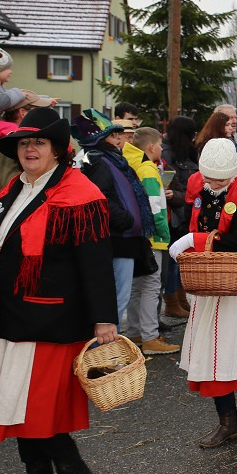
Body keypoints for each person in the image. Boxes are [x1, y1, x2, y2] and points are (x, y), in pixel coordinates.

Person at [0, 108, 118, 474]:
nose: (30, 149)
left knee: (37, 405)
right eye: (24, 143)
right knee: (11, 400)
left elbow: (95, 264)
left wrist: (104, 318)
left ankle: (72, 471)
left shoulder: (79, 194)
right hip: (5, 315)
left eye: (39, 143)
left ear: (58, 151)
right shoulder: (12, 190)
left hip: (51, 319)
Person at [168, 138, 237, 447]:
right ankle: (227, 421)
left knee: (232, 350)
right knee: (208, 351)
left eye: (218, 179)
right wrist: (193, 239)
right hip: (207, 276)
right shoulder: (201, 185)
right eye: (208, 178)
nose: (210, 184)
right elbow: (197, 219)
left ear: (232, 173)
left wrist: (193, 241)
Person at [73, 109, 155, 327]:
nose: (119, 138)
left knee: (118, 298)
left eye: (119, 134)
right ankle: (107, 351)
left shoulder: (110, 159)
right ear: (99, 138)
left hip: (122, 237)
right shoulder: (98, 161)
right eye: (113, 135)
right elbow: (101, 197)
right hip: (117, 238)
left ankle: (109, 348)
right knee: (117, 300)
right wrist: (126, 220)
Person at [122, 127, 178, 355]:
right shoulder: (148, 169)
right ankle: (150, 336)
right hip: (153, 238)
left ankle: (135, 332)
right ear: (151, 147)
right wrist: (164, 234)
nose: (162, 148)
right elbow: (156, 207)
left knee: (136, 287)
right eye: (160, 144)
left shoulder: (131, 165)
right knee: (151, 287)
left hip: (137, 236)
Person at [161, 116, 199, 319]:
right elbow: (173, 187)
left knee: (180, 261)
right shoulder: (168, 154)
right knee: (174, 261)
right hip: (176, 214)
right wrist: (180, 197)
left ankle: (180, 298)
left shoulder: (185, 152)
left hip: (184, 211)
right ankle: (172, 301)